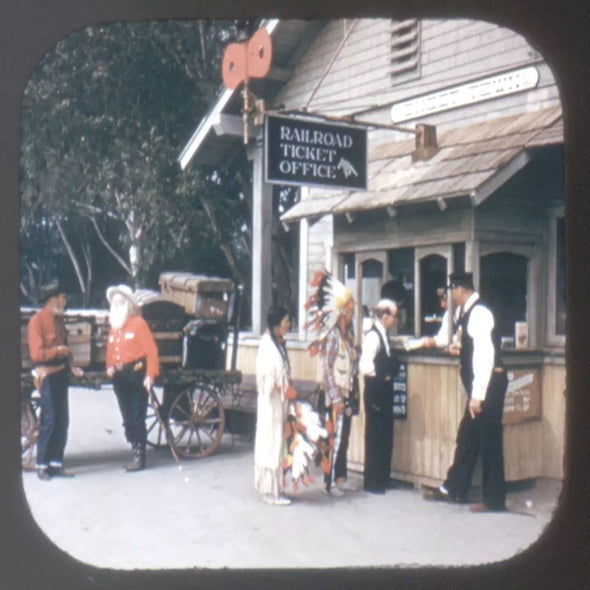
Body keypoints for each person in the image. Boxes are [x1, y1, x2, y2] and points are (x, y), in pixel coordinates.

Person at [423, 272, 508, 512]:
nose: (451, 296)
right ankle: (454, 488)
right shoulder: (467, 313)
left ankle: (494, 501)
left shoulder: (479, 313)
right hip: (481, 385)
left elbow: (485, 356)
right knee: (468, 437)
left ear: (461, 290)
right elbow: (472, 347)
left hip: (488, 384)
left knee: (489, 441)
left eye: (452, 291)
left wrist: (478, 395)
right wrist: (459, 349)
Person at [306, 270, 359, 498]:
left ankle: (340, 477)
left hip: (346, 394)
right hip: (335, 397)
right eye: (351, 307)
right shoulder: (332, 337)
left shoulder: (347, 337)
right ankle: (329, 483)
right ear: (342, 311)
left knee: (343, 438)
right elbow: (326, 369)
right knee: (333, 438)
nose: (354, 310)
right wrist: (336, 398)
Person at [27, 280, 84, 481]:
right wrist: (57, 350)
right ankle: (42, 465)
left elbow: (65, 348)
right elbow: (36, 354)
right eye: (63, 298)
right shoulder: (37, 321)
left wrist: (71, 365)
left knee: (62, 420)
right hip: (47, 375)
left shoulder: (59, 320)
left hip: (60, 373)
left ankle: (56, 464)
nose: (65, 301)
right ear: (53, 300)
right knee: (50, 419)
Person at [105, 285, 159, 472]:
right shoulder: (115, 327)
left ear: (128, 304)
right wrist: (109, 366)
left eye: (120, 302)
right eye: (114, 302)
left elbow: (151, 351)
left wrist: (150, 375)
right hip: (119, 376)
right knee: (127, 416)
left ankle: (139, 456)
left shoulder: (138, 323)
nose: (117, 305)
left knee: (137, 416)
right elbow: (111, 351)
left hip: (136, 374)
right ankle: (134, 450)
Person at [254, 305, 294, 506]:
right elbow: (266, 377)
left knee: (279, 444)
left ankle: (278, 487)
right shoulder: (267, 346)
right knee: (270, 443)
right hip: (271, 404)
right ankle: (270, 491)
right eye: (285, 322)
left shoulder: (278, 344)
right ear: (276, 325)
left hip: (280, 404)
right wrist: (279, 384)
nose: (288, 325)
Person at [359, 299, 400, 494]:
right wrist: (382, 373)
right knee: (375, 435)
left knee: (385, 434)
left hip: (384, 390)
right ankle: (372, 481)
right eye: (394, 316)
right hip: (376, 390)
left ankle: (383, 478)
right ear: (384, 317)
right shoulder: (373, 337)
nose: (396, 320)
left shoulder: (384, 335)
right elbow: (365, 365)